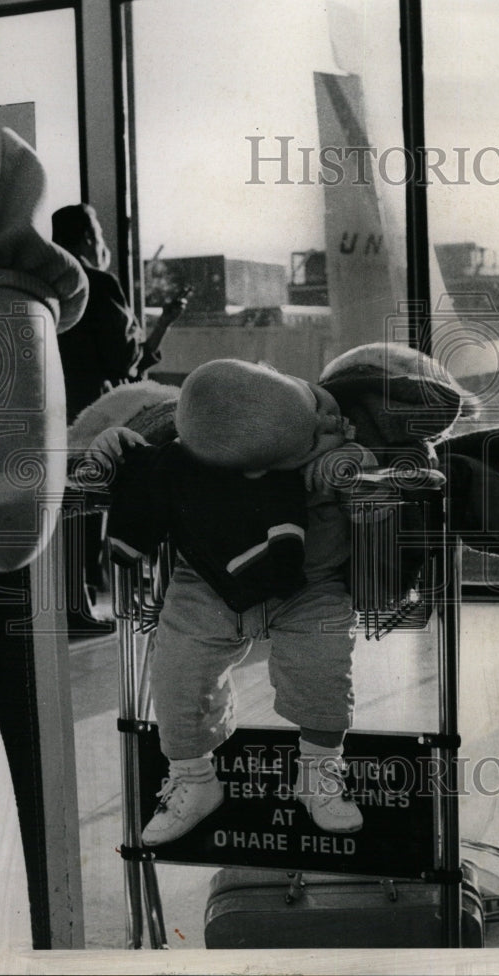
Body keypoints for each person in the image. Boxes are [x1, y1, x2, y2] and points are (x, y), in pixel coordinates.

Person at [90, 359, 379, 844]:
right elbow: (137, 452)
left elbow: (372, 458)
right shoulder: (195, 431)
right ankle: (193, 778)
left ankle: (318, 772)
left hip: (309, 581)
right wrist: (113, 446)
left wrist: (344, 461)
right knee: (177, 673)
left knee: (322, 667)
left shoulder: (318, 417)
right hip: (206, 581)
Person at [51, 203, 187, 635]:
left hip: (55, 409)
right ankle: (80, 607)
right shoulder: (98, 282)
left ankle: (73, 604)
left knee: (62, 507)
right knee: (88, 505)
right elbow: (126, 360)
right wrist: (158, 327)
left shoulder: (50, 284)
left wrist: (162, 325)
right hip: (95, 412)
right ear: (90, 237)